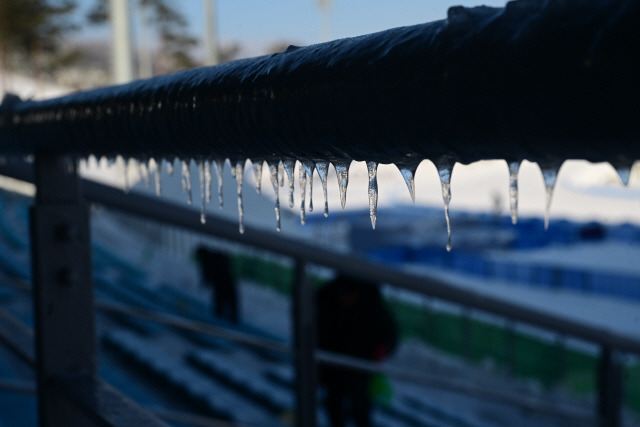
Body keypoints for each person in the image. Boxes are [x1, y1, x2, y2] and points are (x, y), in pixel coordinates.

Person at [316, 274, 398, 427]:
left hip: (357, 364)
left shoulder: (371, 304)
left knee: (357, 406)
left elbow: (388, 335)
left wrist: (380, 351)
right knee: (337, 403)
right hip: (337, 363)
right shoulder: (328, 298)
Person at [193, 246, 239, 323]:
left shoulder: (206, 260)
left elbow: (207, 277)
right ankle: (232, 321)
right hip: (229, 282)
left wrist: (205, 282)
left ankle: (221, 322)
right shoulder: (216, 255)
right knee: (231, 303)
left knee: (220, 304)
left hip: (220, 284)